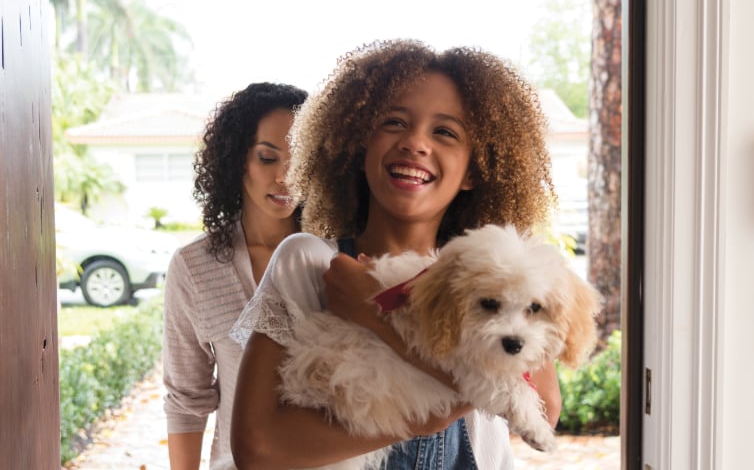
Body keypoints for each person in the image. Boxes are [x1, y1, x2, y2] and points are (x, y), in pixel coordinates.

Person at [230, 39, 560, 469]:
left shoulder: (505, 277)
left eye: (444, 132)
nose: (415, 143)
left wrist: (373, 316)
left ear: (475, 171)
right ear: (358, 143)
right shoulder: (306, 262)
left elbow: (542, 411)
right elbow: (258, 451)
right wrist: (423, 418)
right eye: (393, 123)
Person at [162, 82, 309, 469]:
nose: (285, 177)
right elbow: (186, 402)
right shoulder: (194, 267)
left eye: (301, 159)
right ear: (237, 160)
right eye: (267, 158)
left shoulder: (335, 255)